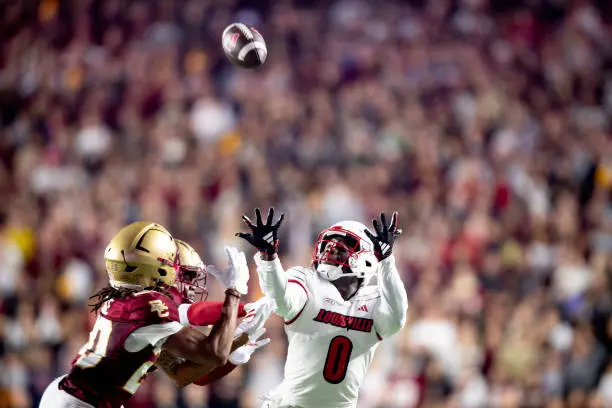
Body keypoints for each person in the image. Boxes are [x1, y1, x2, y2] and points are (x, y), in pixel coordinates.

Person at [39, 221, 250, 408]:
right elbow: (215, 353)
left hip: (73, 395)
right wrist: (234, 291)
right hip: (83, 402)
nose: (189, 284)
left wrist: (240, 340)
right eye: (182, 272)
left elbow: (181, 374)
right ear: (156, 269)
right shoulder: (150, 306)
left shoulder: (130, 301)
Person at [236, 208, 409, 408]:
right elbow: (281, 299)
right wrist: (269, 257)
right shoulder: (308, 281)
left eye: (344, 245)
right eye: (330, 243)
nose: (331, 249)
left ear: (368, 257)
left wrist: (387, 260)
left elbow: (397, 319)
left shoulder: (373, 301)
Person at [156, 239, 275, 387]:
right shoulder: (148, 310)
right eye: (185, 277)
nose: (190, 287)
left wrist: (233, 358)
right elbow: (194, 314)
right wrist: (238, 299)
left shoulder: (155, 317)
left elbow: (186, 375)